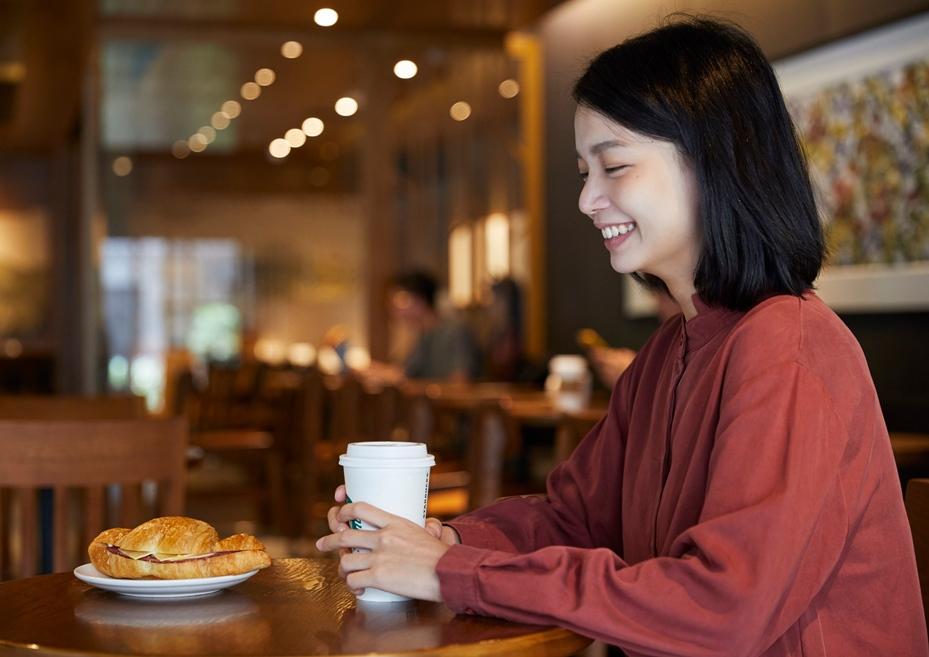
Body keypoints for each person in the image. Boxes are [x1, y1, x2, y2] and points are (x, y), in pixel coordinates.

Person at [316, 17, 927, 656]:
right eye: (585, 171)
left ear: (714, 162)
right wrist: (434, 541)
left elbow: (722, 609)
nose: (587, 199)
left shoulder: (790, 347)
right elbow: (573, 520)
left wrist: (448, 571)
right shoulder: (669, 351)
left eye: (614, 166)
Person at [360, 270, 481, 384]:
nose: (394, 310)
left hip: (449, 406)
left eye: (400, 301)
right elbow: (405, 374)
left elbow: (460, 382)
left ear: (420, 300)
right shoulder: (424, 335)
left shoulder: (454, 332)